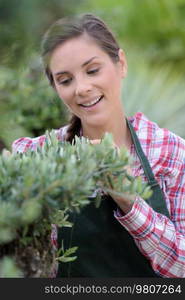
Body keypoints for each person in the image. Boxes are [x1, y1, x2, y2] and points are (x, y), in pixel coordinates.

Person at [12, 13, 185, 278]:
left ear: (121, 64)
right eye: (65, 80)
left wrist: (129, 202)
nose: (81, 88)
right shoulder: (36, 157)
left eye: (92, 70)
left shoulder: (170, 153)